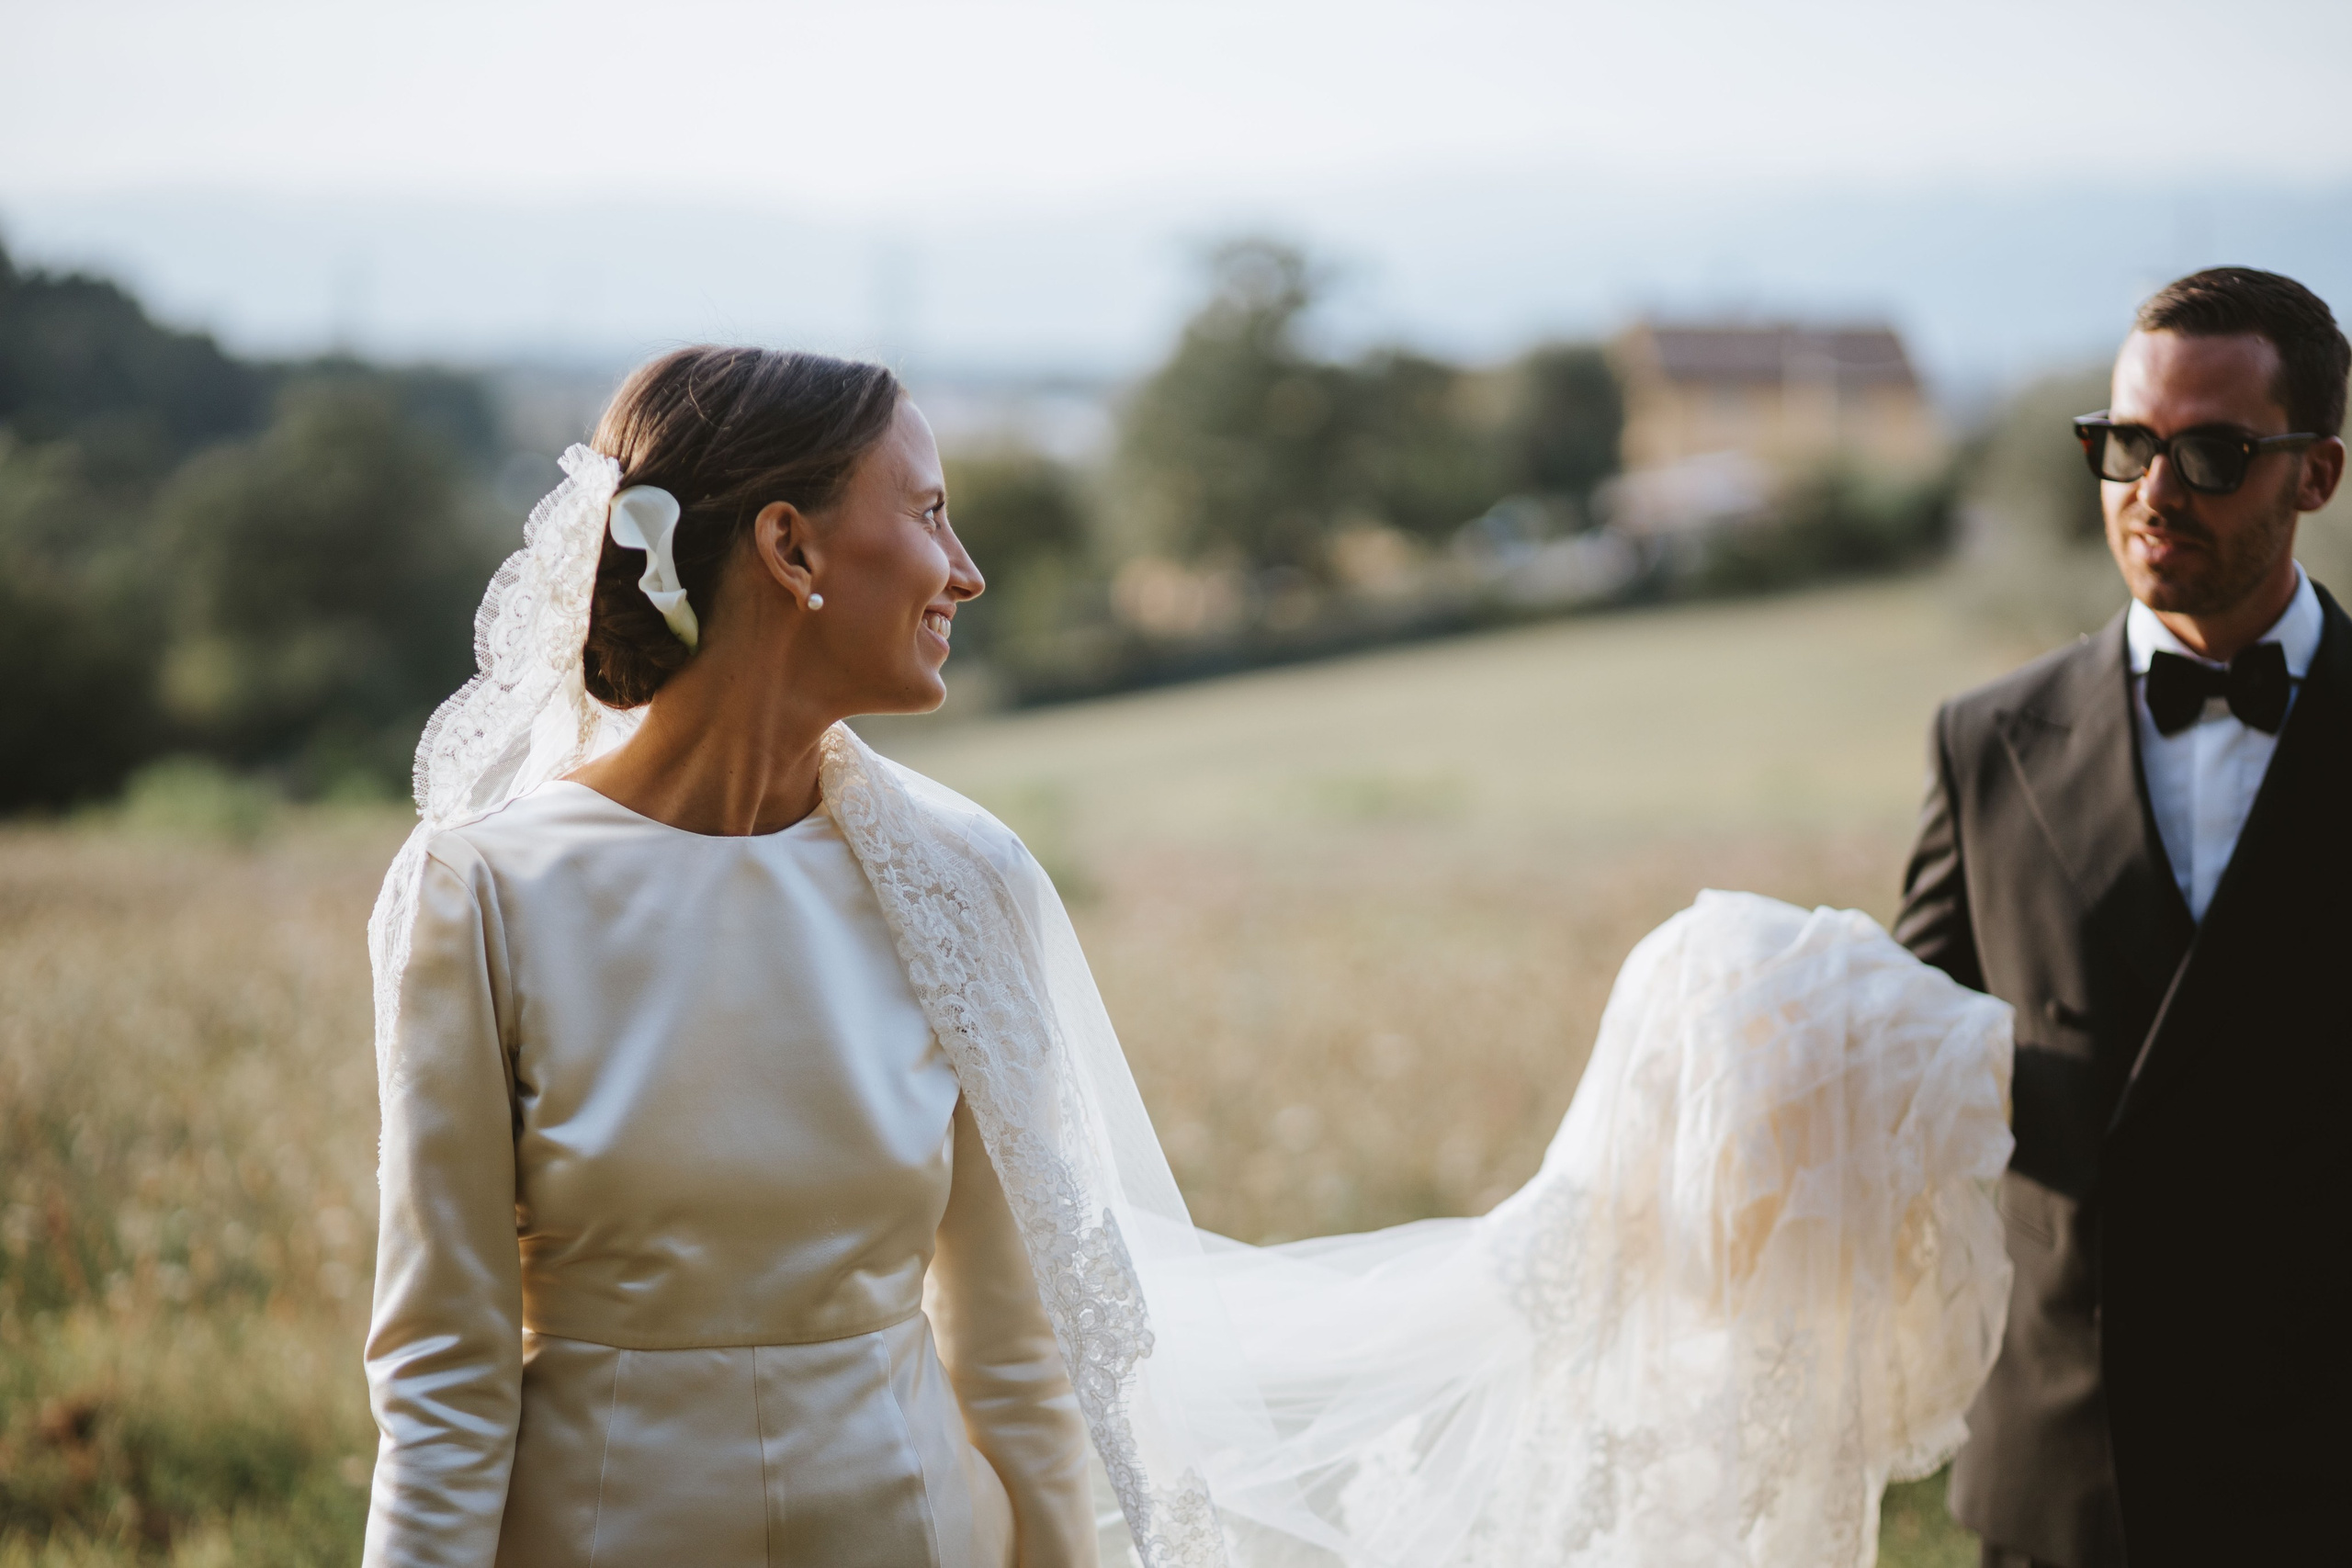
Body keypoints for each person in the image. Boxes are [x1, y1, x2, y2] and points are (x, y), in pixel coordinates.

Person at [366, 345, 2017, 1568]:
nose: (966, 569)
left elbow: (1020, 1347)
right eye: (927, 514)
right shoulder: (480, 897)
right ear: (791, 550)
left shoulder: (964, 881)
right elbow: (442, 1375)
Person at [1894, 267, 2352, 1568]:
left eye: (2212, 454)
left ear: (2315, 476)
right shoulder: (1984, 743)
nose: (2154, 491)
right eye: (2127, 444)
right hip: (2066, 1478)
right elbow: (1911, 1076)